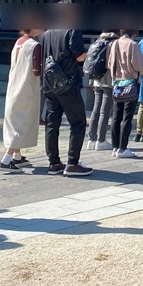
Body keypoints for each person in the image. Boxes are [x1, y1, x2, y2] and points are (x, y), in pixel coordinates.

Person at [39, 23, 93, 177]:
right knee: (78, 122)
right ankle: (72, 162)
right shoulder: (72, 30)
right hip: (67, 82)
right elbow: (79, 56)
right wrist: (89, 54)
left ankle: (54, 162)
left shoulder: (47, 32)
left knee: (52, 123)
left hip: (49, 82)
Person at [0, 28, 42, 171]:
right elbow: (37, 70)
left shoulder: (18, 42)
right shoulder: (34, 45)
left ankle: (17, 157)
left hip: (14, 85)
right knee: (22, 123)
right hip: (27, 87)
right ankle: (6, 159)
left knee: (14, 120)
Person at [107, 30, 143, 157]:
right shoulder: (133, 45)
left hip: (118, 83)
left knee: (116, 115)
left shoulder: (115, 43)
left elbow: (109, 64)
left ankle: (115, 147)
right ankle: (123, 148)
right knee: (127, 117)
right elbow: (139, 66)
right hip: (130, 82)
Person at [86, 31, 118, 152]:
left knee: (95, 110)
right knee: (104, 112)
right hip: (107, 79)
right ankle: (101, 140)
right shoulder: (113, 43)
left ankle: (91, 140)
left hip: (95, 79)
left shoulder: (96, 42)